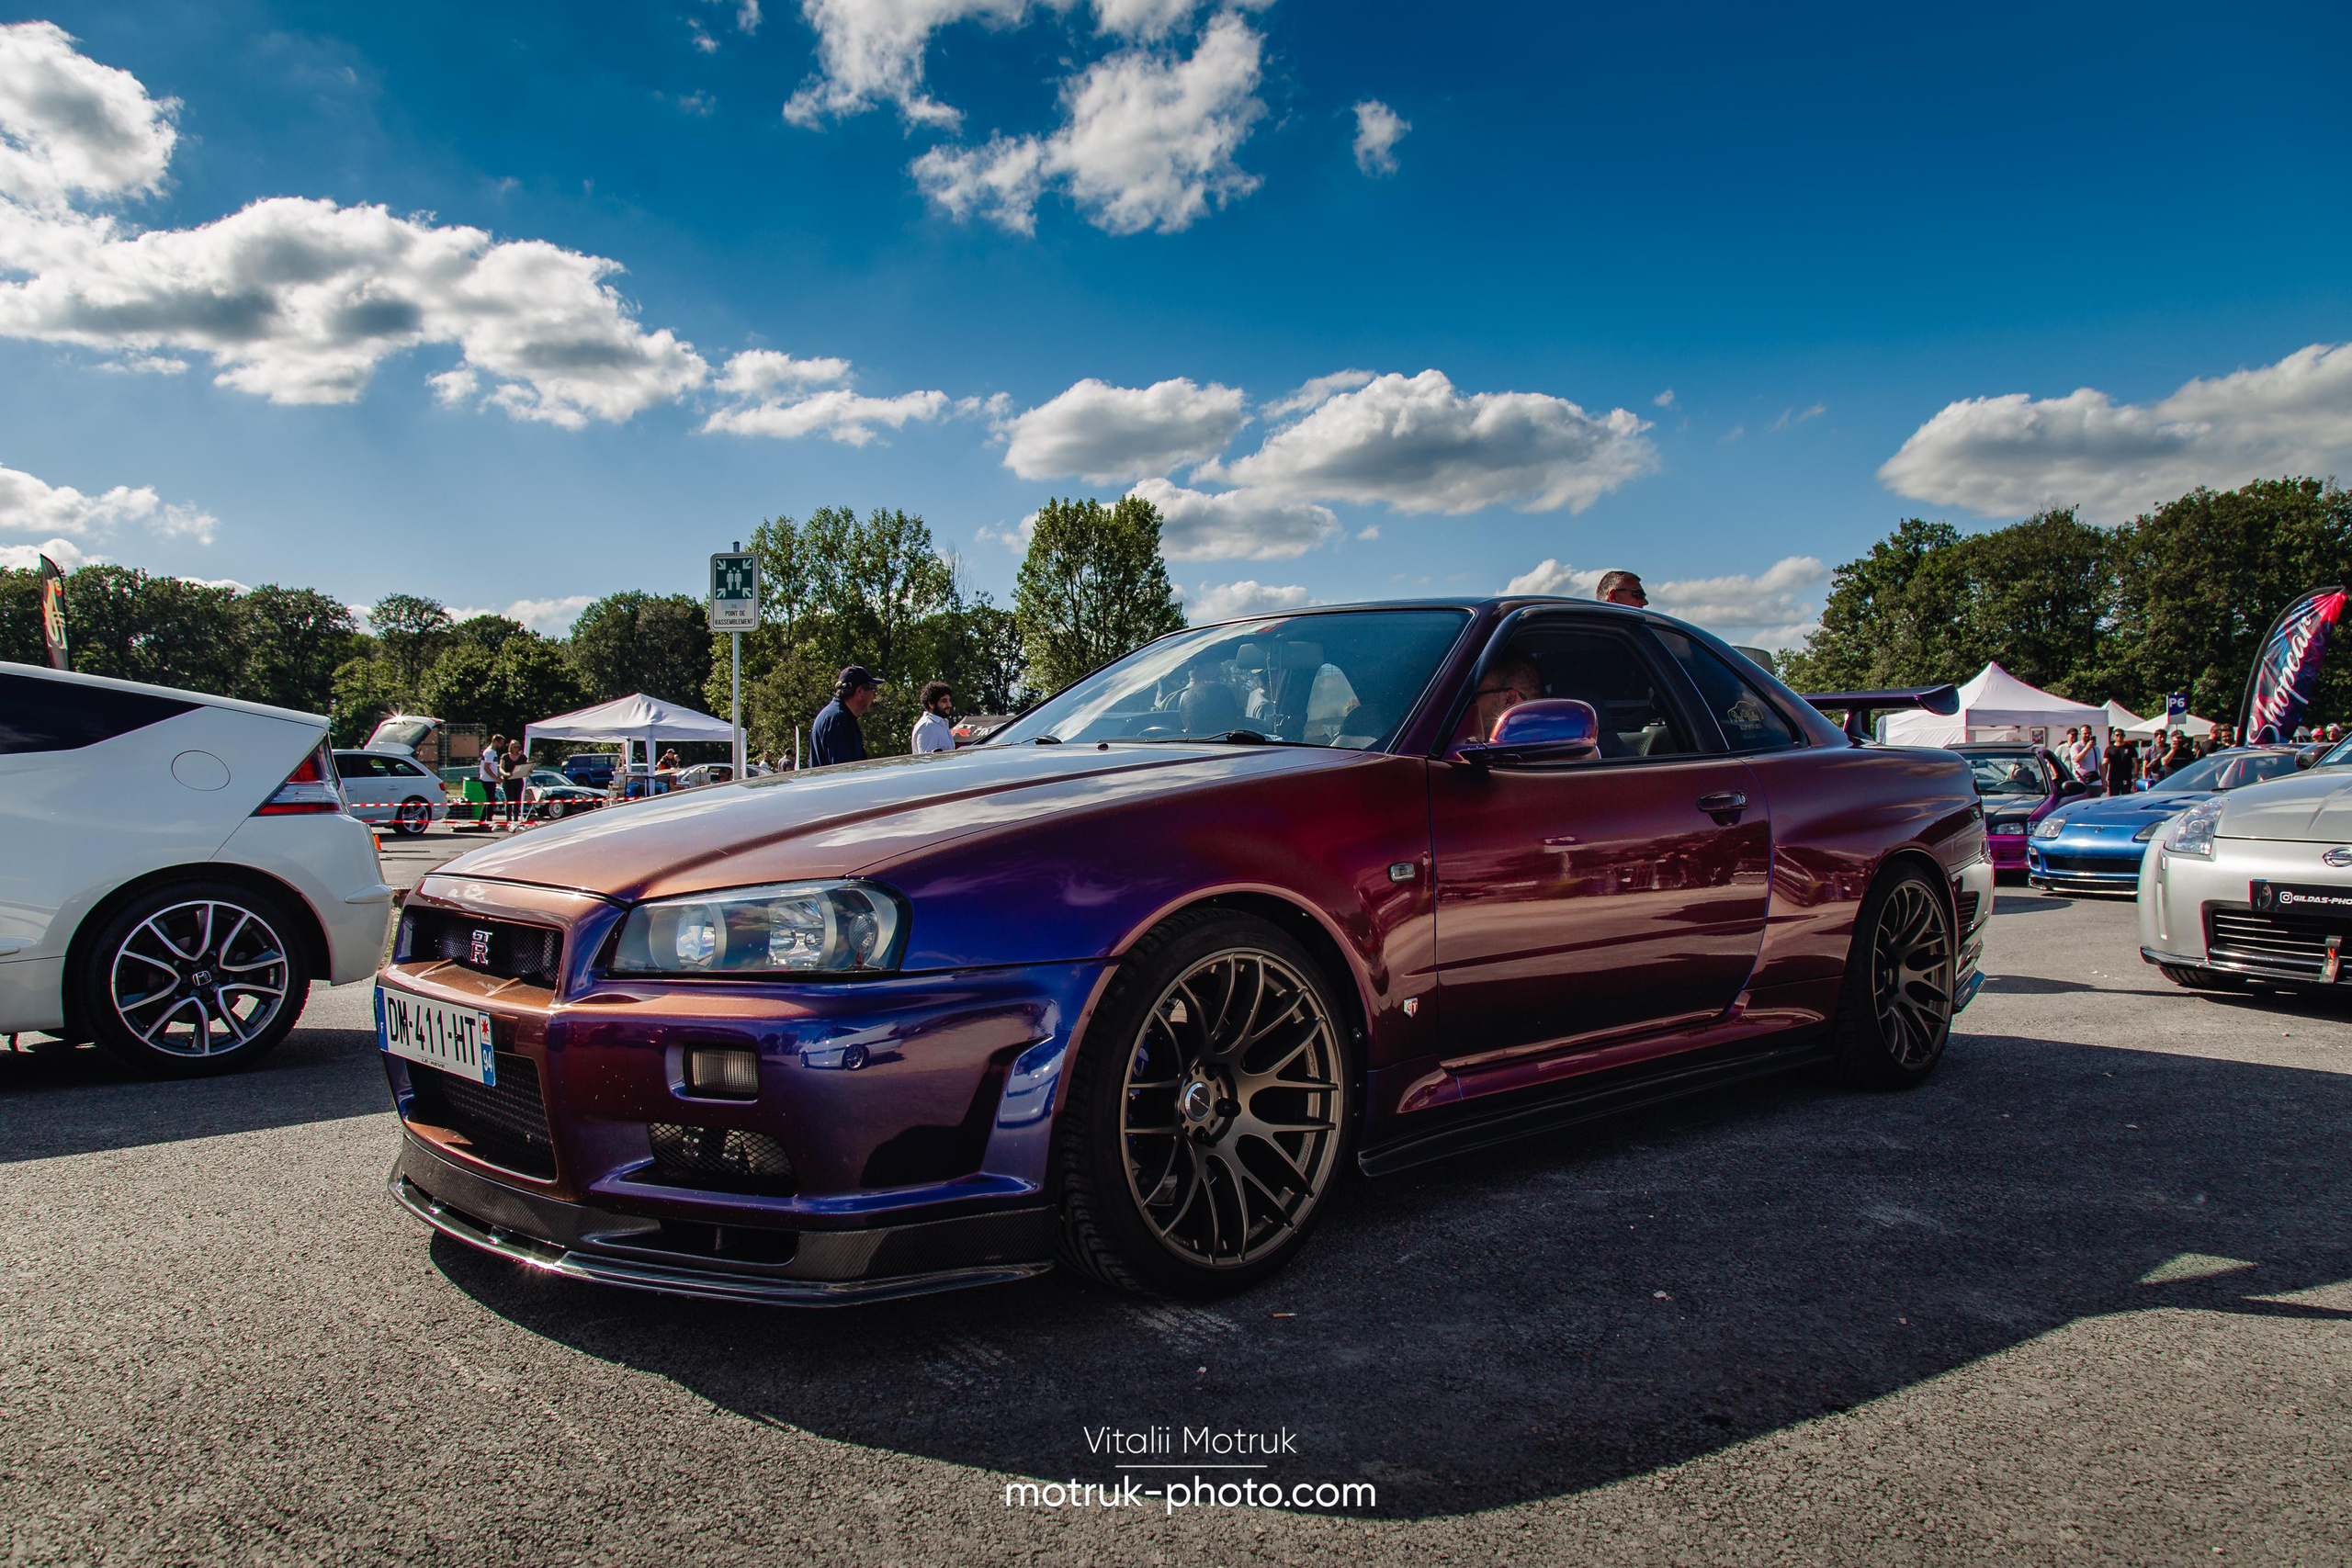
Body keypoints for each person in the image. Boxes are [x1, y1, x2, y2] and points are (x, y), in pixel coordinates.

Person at [811, 665, 881, 766]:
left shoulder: (832, 715)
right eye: (873, 689)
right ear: (859, 691)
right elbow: (845, 773)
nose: (874, 696)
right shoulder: (839, 720)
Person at [911, 682, 956, 753]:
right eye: (944, 701)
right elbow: (927, 761)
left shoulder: (940, 724)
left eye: (949, 700)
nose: (949, 705)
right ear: (931, 704)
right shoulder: (927, 726)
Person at [478, 733, 507, 823]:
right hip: (488, 779)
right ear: (495, 742)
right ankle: (488, 820)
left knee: (490, 800)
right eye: (500, 743)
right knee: (490, 801)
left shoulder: (492, 752)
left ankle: (482, 819)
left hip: (490, 779)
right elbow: (486, 767)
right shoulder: (490, 752)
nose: (501, 745)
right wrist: (495, 778)